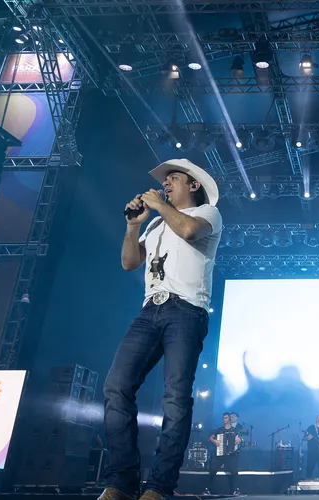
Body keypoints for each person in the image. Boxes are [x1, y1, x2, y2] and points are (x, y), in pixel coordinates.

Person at [99, 159, 223, 500]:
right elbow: (129, 262)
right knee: (116, 386)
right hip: (149, 309)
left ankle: (159, 487)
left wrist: (160, 205)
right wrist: (133, 226)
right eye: (164, 180)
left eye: (174, 178)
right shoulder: (155, 225)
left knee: (175, 397)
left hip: (186, 309)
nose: (166, 183)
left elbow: (187, 231)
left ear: (193, 185)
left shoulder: (208, 214)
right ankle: (120, 482)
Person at [209, 413, 241, 494]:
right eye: (223, 418)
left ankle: (235, 490)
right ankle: (208, 489)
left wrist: (239, 440)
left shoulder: (234, 430)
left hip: (230, 455)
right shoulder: (219, 430)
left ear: (229, 419)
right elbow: (210, 438)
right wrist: (215, 441)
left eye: (226, 418)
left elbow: (239, 439)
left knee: (234, 472)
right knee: (213, 470)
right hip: (220, 454)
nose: (224, 420)